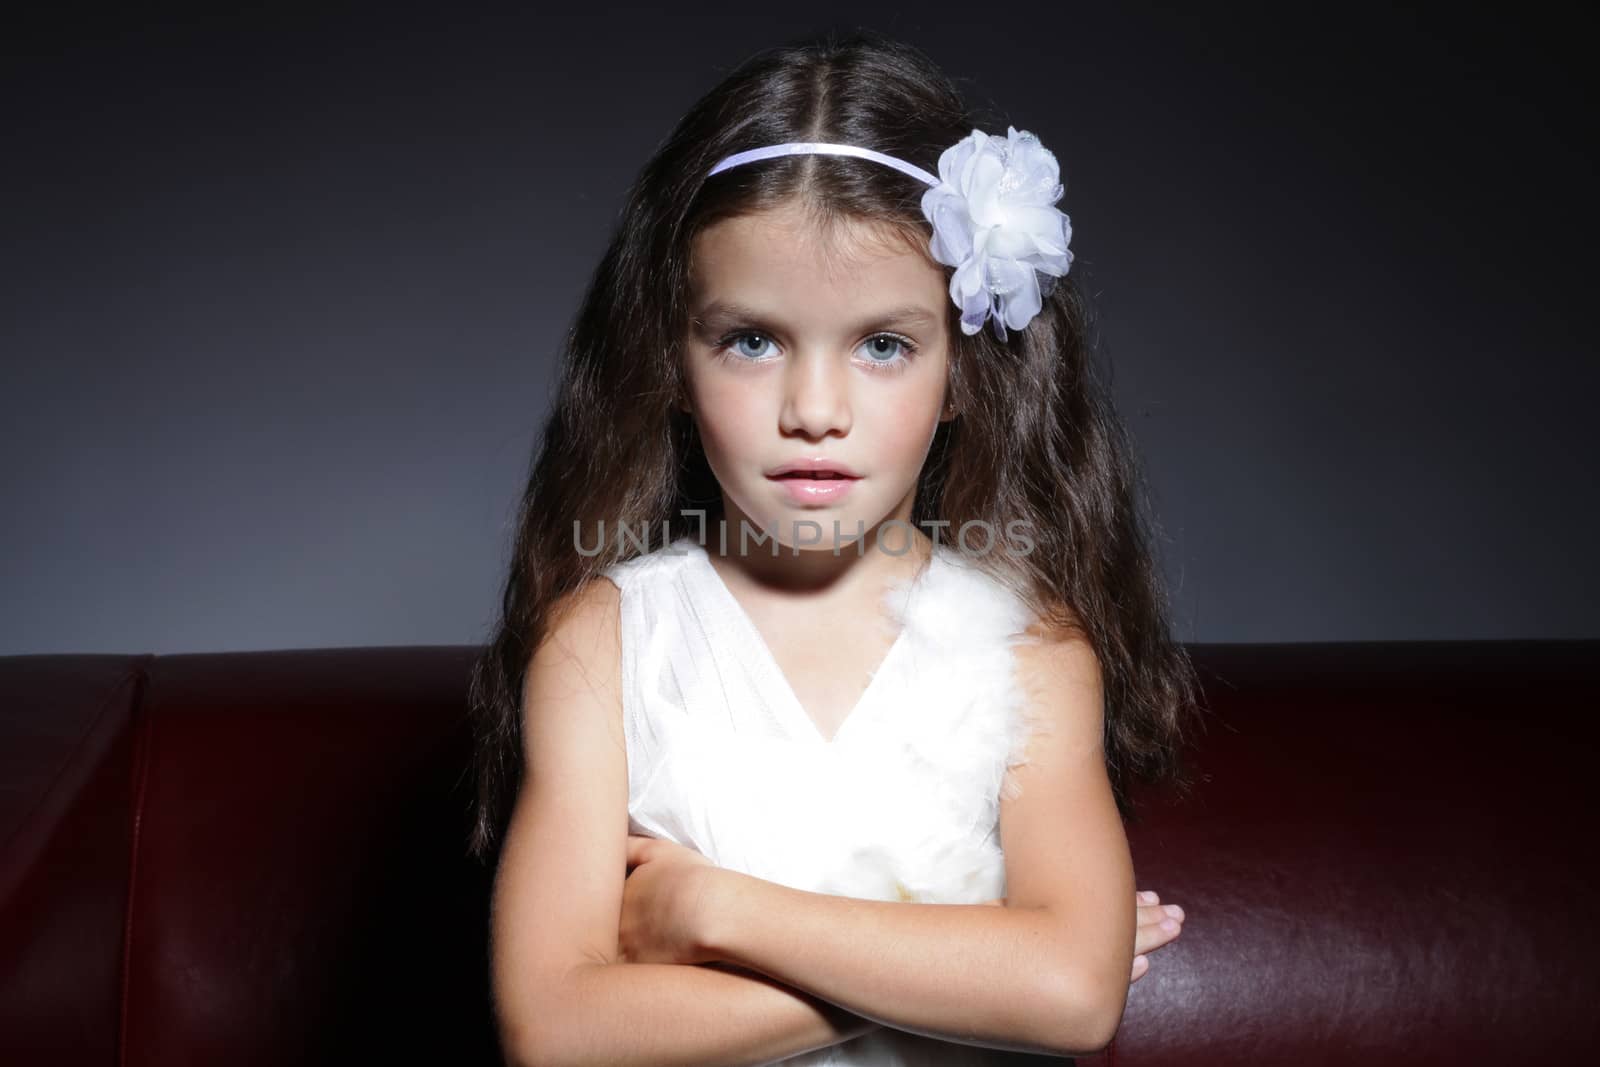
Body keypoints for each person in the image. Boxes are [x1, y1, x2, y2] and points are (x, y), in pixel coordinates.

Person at [466, 28, 1204, 1066]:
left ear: (963, 375)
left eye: (883, 344)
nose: (814, 409)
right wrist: (968, 971)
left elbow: (1073, 998)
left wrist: (719, 908)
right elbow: (554, 1032)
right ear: (671, 359)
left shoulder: (1030, 650)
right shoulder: (605, 644)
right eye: (752, 339)